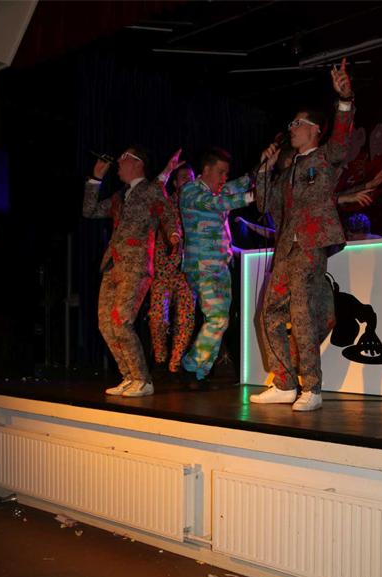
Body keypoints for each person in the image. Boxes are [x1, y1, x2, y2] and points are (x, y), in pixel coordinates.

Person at [250, 58, 354, 411]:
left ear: (314, 131)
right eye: (291, 124)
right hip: (287, 249)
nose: (291, 129)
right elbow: (264, 204)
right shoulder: (287, 171)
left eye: (298, 124)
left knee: (302, 313)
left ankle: (312, 387)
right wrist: (264, 169)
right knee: (269, 313)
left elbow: (342, 142)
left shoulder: (325, 158)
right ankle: (284, 382)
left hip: (310, 245)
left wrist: (344, 100)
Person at [83, 146, 182, 397]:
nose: (118, 161)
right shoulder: (120, 196)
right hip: (113, 265)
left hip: (136, 266)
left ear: (138, 163)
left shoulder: (151, 190)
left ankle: (142, 379)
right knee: (106, 324)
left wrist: (174, 233)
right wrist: (95, 179)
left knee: (121, 321)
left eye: (124, 158)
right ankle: (128, 376)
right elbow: (89, 210)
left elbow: (167, 212)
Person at [179, 147, 255, 389]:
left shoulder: (218, 191)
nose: (224, 178)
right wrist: (251, 197)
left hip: (220, 265)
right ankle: (190, 367)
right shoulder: (190, 191)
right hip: (202, 266)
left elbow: (237, 185)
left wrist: (262, 167)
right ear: (206, 169)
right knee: (217, 319)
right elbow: (217, 203)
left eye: (226, 173)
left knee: (220, 320)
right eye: (221, 172)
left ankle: (199, 373)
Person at [148, 164, 195, 375]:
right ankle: (160, 357)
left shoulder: (199, 205)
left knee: (186, 318)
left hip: (188, 270)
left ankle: (175, 363)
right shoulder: (165, 203)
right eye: (183, 177)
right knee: (158, 317)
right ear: (175, 182)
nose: (188, 181)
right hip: (163, 268)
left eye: (191, 177)